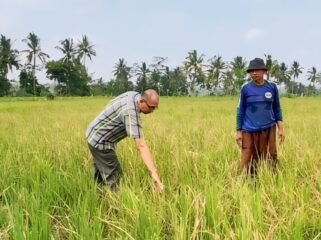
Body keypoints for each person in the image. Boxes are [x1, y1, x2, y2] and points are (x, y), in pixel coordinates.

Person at [86, 89, 164, 192]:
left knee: (101, 174)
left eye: (155, 108)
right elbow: (141, 145)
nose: (152, 111)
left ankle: (97, 196)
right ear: (142, 101)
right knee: (115, 179)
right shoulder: (130, 113)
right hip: (101, 142)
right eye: (151, 107)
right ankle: (114, 204)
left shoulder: (134, 95)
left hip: (94, 134)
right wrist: (154, 173)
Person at [235, 58, 285, 176]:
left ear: (264, 71)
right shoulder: (246, 88)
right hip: (249, 129)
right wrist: (238, 131)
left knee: (271, 154)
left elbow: (277, 108)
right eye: (251, 71)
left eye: (257, 70)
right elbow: (240, 110)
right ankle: (249, 182)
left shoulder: (272, 87)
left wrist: (281, 129)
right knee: (248, 156)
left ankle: (273, 178)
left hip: (269, 128)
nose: (254, 73)